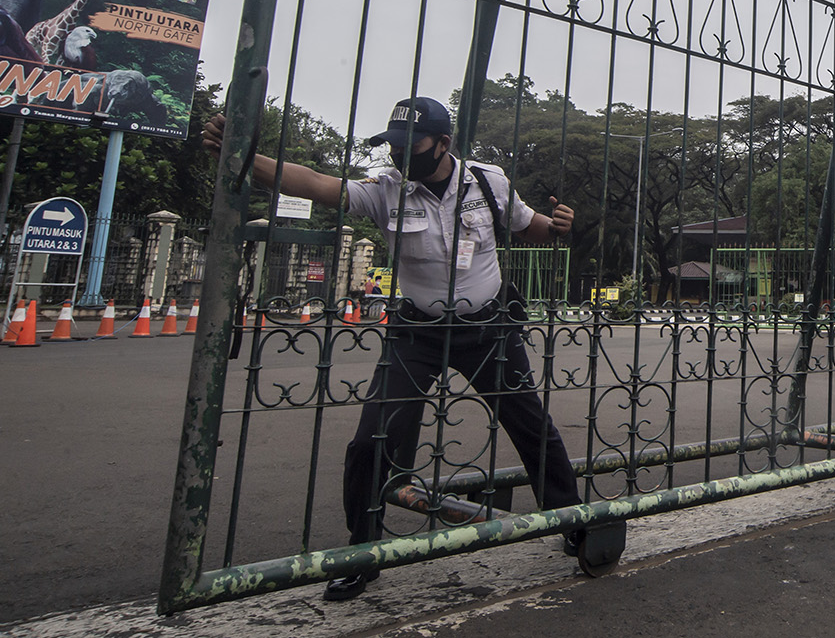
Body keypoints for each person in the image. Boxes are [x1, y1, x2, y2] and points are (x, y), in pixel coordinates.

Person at [202, 96, 584, 601]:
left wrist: (557, 227)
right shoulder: (385, 190)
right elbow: (314, 183)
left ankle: (571, 520)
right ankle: (361, 551)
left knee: (530, 426)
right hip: (418, 332)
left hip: (488, 330)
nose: (400, 155)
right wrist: (245, 156)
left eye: (411, 146)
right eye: (394, 146)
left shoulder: (487, 181)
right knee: (372, 440)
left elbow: (527, 223)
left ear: (443, 143)